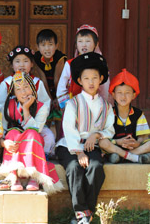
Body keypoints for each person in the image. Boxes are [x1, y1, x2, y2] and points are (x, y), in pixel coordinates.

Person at [55, 52, 114, 224]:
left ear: (101, 79)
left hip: (92, 146)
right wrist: (79, 152)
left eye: (94, 78)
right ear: (79, 81)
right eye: (86, 78)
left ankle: (88, 210)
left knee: (95, 168)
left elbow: (109, 129)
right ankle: (81, 212)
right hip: (69, 146)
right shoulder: (73, 103)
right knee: (74, 168)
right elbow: (68, 128)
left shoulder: (106, 106)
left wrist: (96, 135)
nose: (90, 82)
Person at [0, 71, 63, 194]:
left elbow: (35, 128)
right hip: (15, 138)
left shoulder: (42, 107)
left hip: (33, 138)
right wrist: (4, 142)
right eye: (18, 89)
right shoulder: (8, 105)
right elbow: (2, 128)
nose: (23, 92)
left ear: (33, 88)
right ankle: (13, 175)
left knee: (32, 134)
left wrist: (26, 109)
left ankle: (34, 176)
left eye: (26, 87)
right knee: (12, 134)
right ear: (14, 93)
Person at [0, 46, 55, 156]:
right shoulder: (7, 83)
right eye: (17, 61)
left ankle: (41, 157)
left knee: (49, 137)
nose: (21, 65)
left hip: (35, 123)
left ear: (32, 64)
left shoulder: (37, 83)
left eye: (26, 61)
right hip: (11, 125)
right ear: (12, 65)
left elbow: (44, 103)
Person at [99, 69, 150, 164]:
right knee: (102, 142)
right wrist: (118, 142)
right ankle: (134, 157)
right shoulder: (109, 113)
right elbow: (103, 136)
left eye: (127, 93)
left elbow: (143, 137)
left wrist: (137, 143)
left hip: (133, 148)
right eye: (119, 93)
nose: (123, 96)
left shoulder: (138, 114)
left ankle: (127, 156)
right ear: (113, 95)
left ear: (133, 95)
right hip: (115, 147)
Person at [57, 24, 110, 109]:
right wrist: (67, 105)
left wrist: (102, 104)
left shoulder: (100, 63)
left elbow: (104, 87)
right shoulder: (70, 64)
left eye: (88, 41)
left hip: (95, 105)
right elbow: (61, 87)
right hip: (74, 105)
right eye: (80, 41)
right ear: (76, 44)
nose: (84, 45)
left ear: (96, 44)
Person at [34, 29, 67, 140]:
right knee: (45, 113)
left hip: (59, 89)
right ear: (38, 47)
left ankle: (59, 141)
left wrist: (57, 99)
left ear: (56, 46)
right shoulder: (37, 58)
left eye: (50, 45)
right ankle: (45, 143)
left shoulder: (60, 58)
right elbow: (42, 79)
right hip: (45, 90)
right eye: (43, 45)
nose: (47, 48)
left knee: (58, 115)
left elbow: (59, 80)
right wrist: (49, 99)